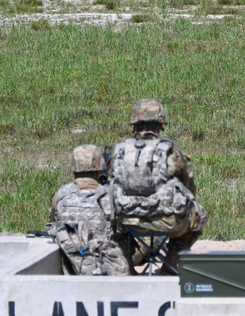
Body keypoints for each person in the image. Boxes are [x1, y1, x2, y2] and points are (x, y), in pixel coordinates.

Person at [109, 99, 207, 274]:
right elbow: (189, 187)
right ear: (161, 124)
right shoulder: (171, 151)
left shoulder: (119, 151)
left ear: (134, 124)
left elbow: (109, 184)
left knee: (113, 228)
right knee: (198, 215)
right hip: (164, 221)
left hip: (126, 221)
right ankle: (170, 267)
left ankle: (126, 270)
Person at [49, 145, 128, 276]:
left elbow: (54, 222)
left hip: (74, 264)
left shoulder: (61, 194)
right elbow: (120, 229)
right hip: (108, 263)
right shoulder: (110, 194)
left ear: (73, 169)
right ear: (99, 171)